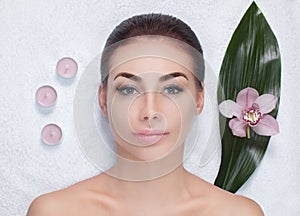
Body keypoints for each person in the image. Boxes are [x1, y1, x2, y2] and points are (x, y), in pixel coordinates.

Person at [27, 13, 264, 215]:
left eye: (171, 89)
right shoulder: (54, 211)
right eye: (129, 89)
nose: (150, 112)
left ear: (199, 99)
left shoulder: (239, 213)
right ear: (103, 99)